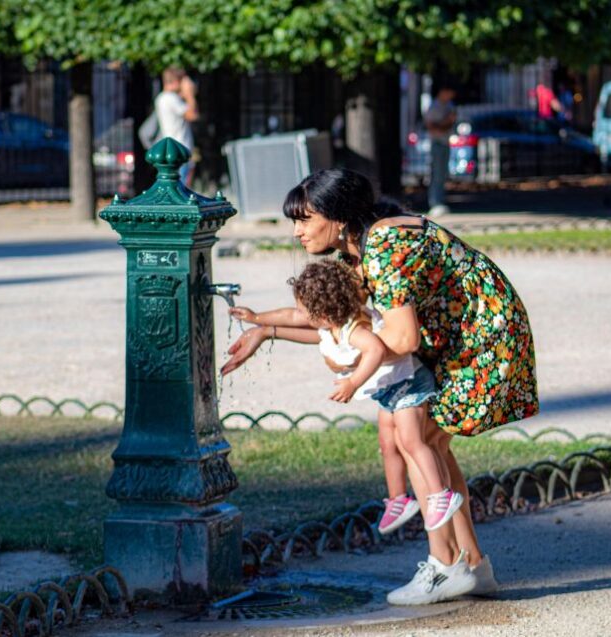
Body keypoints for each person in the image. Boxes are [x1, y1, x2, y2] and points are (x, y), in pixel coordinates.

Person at [222, 168, 539, 605]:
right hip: (461, 334)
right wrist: (265, 331)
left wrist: (352, 366)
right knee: (433, 444)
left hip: (481, 337)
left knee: (422, 439)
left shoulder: (385, 248)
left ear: (336, 216)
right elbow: (341, 328)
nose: (296, 232)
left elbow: (402, 339)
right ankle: (471, 565)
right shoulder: (358, 248)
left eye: (304, 219)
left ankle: (447, 566)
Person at [232, 260, 464, 535]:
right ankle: (399, 499)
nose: (299, 314)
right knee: (388, 444)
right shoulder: (332, 325)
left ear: (325, 314)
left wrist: (353, 382)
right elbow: (290, 318)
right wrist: (256, 318)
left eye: (305, 310)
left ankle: (441, 494)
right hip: (389, 390)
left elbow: (375, 350)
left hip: (408, 385)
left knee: (411, 441)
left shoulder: (355, 328)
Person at [155, 67, 199, 185]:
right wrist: (190, 94)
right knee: (181, 193)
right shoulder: (170, 98)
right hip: (180, 153)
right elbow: (192, 115)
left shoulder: (164, 98)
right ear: (175, 82)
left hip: (176, 152)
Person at [425, 86, 457, 217]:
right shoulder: (435, 107)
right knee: (437, 173)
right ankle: (435, 203)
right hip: (437, 143)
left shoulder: (449, 105)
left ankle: (439, 201)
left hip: (445, 141)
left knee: (442, 174)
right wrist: (447, 121)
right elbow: (432, 127)